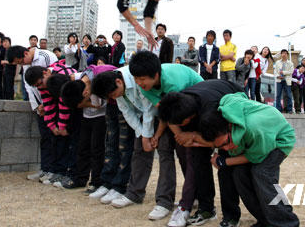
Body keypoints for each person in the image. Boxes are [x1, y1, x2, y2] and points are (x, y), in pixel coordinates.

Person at [109, 51, 203, 222]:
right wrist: (155, 136)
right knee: (165, 148)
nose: (139, 83)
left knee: (185, 154)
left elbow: (174, 112)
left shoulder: (174, 82)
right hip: (173, 114)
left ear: (156, 74)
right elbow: (164, 112)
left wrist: (179, 135)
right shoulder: (145, 87)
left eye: (142, 79)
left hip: (195, 108)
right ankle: (157, 199)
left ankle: (193, 198)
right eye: (136, 79)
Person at [199, 92, 300, 227]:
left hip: (279, 140)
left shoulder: (254, 129)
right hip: (259, 140)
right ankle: (266, 220)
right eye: (221, 146)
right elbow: (238, 96)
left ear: (229, 126)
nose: (227, 148)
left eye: (227, 142)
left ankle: (288, 222)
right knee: (239, 174)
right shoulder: (223, 113)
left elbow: (255, 156)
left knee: (262, 174)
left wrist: (224, 162)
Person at [158, 80, 243, 227]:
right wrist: (184, 136)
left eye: (178, 124)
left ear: (186, 120)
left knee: (224, 163)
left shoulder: (212, 111)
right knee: (198, 159)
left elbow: (226, 141)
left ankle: (231, 216)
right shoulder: (177, 102)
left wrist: (195, 137)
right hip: (206, 101)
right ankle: (206, 209)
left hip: (231, 97)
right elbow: (172, 122)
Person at [90, 67, 156, 205]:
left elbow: (149, 108)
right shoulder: (116, 88)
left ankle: (163, 200)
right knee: (139, 151)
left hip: (159, 110)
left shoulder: (137, 78)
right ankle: (132, 192)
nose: (113, 98)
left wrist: (146, 135)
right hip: (141, 117)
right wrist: (142, 134)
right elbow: (127, 113)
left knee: (163, 153)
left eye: (113, 94)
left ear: (119, 82)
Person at [7, 45, 58, 182]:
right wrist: (37, 108)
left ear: (25, 53)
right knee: (45, 138)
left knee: (56, 139)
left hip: (53, 105)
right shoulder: (25, 65)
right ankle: (45, 169)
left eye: (21, 61)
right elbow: (29, 88)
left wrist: (47, 104)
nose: (21, 64)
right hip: (41, 108)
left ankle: (55, 171)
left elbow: (55, 79)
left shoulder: (45, 56)